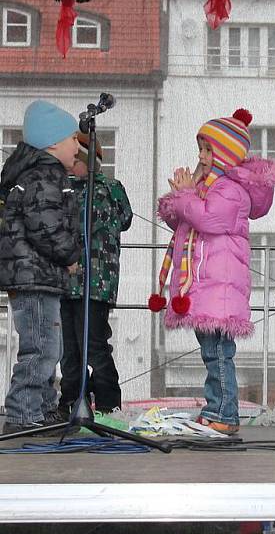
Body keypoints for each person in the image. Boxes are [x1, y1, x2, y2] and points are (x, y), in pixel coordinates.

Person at [149, 109, 275, 435]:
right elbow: (183, 223)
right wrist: (180, 197)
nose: (201, 156)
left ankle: (225, 413)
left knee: (219, 354)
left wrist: (186, 195)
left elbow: (208, 220)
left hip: (219, 287)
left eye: (208, 150)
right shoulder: (209, 187)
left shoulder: (229, 191)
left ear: (224, 154)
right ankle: (214, 409)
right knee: (211, 353)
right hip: (206, 285)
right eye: (201, 149)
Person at [0, 100, 80, 434]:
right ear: (52, 143)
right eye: (73, 139)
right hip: (33, 277)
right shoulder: (42, 177)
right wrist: (71, 254)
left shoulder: (45, 174)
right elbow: (44, 227)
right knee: (40, 348)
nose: (78, 146)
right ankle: (22, 413)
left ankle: (44, 408)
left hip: (40, 277)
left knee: (50, 347)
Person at [57, 133, 132, 421]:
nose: (69, 166)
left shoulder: (99, 189)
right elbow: (126, 218)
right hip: (82, 282)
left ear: (89, 163)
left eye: (75, 160)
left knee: (89, 347)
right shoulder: (109, 189)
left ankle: (98, 403)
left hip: (90, 282)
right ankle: (85, 402)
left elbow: (124, 219)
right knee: (79, 347)